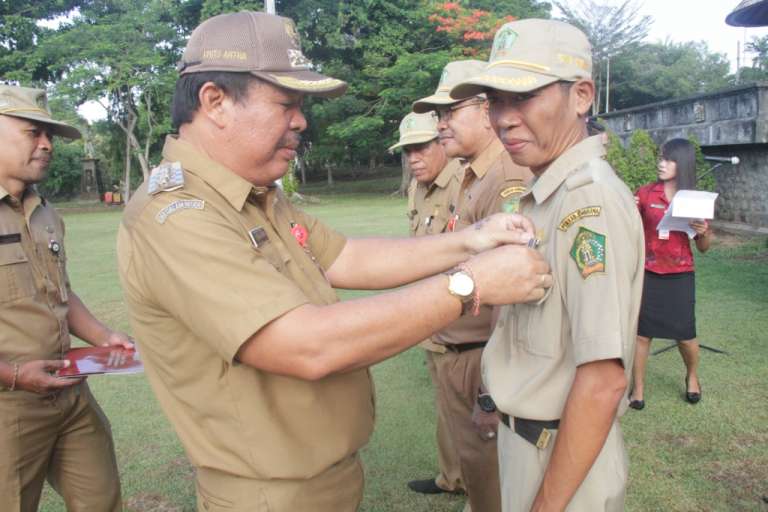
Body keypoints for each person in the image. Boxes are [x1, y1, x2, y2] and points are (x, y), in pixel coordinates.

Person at [116, 11, 552, 512]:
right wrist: (469, 284)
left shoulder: (253, 194)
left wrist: (471, 239)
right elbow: (305, 345)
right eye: (286, 103)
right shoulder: (179, 214)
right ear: (214, 101)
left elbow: (346, 257)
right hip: (268, 493)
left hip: (321, 477)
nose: (301, 119)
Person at [451, 19, 645, 511]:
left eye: (524, 97)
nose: (504, 118)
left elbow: (603, 380)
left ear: (581, 96)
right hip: (527, 442)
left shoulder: (588, 204)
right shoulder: (544, 196)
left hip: (561, 459)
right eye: (495, 100)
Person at [408, 59, 533, 512]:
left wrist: (490, 390)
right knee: (477, 473)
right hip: (458, 346)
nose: (440, 125)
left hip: (481, 353)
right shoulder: (470, 172)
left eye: (450, 112)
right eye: (438, 115)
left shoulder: (505, 177)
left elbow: (511, 294)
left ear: (485, 110)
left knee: (491, 476)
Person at [0, 84, 132, 512]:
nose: (46, 145)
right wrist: (15, 376)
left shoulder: (45, 211)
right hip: (9, 407)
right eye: (32, 132)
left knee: (101, 500)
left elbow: (60, 291)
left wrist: (102, 334)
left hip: (70, 394)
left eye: (49, 135)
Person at [390, 111, 466, 495]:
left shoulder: (463, 184)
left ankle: (483, 488)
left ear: (442, 144)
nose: (413, 158)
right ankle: (452, 478)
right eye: (407, 151)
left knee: (473, 414)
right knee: (446, 407)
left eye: (421, 148)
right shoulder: (417, 189)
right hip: (432, 320)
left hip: (464, 321)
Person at [628, 138, 712, 410]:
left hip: (680, 274)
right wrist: (627, 207)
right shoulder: (645, 193)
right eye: (661, 158)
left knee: (685, 335)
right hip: (648, 272)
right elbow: (629, 226)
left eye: (668, 159)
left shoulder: (693, 199)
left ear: (682, 163)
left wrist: (702, 232)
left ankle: (692, 376)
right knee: (642, 335)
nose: (661, 163)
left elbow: (704, 248)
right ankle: (638, 389)